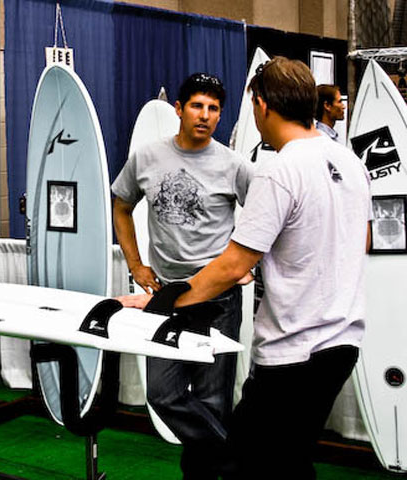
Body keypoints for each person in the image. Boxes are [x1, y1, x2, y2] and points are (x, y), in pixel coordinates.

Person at [120, 57, 372, 479]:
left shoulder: (278, 172)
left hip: (293, 351)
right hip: (341, 345)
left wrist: (160, 303)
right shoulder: (349, 162)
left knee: (252, 462)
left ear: (262, 106)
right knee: (289, 460)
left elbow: (233, 265)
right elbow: (360, 242)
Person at [111, 72, 253, 479]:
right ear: (179, 109)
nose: (205, 115)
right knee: (163, 394)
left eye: (213, 108)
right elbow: (121, 205)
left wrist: (246, 264)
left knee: (212, 403)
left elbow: (265, 218)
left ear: (220, 114)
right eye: (197, 106)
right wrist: (136, 264)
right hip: (167, 297)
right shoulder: (147, 158)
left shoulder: (234, 165)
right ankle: (236, 462)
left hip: (217, 298)